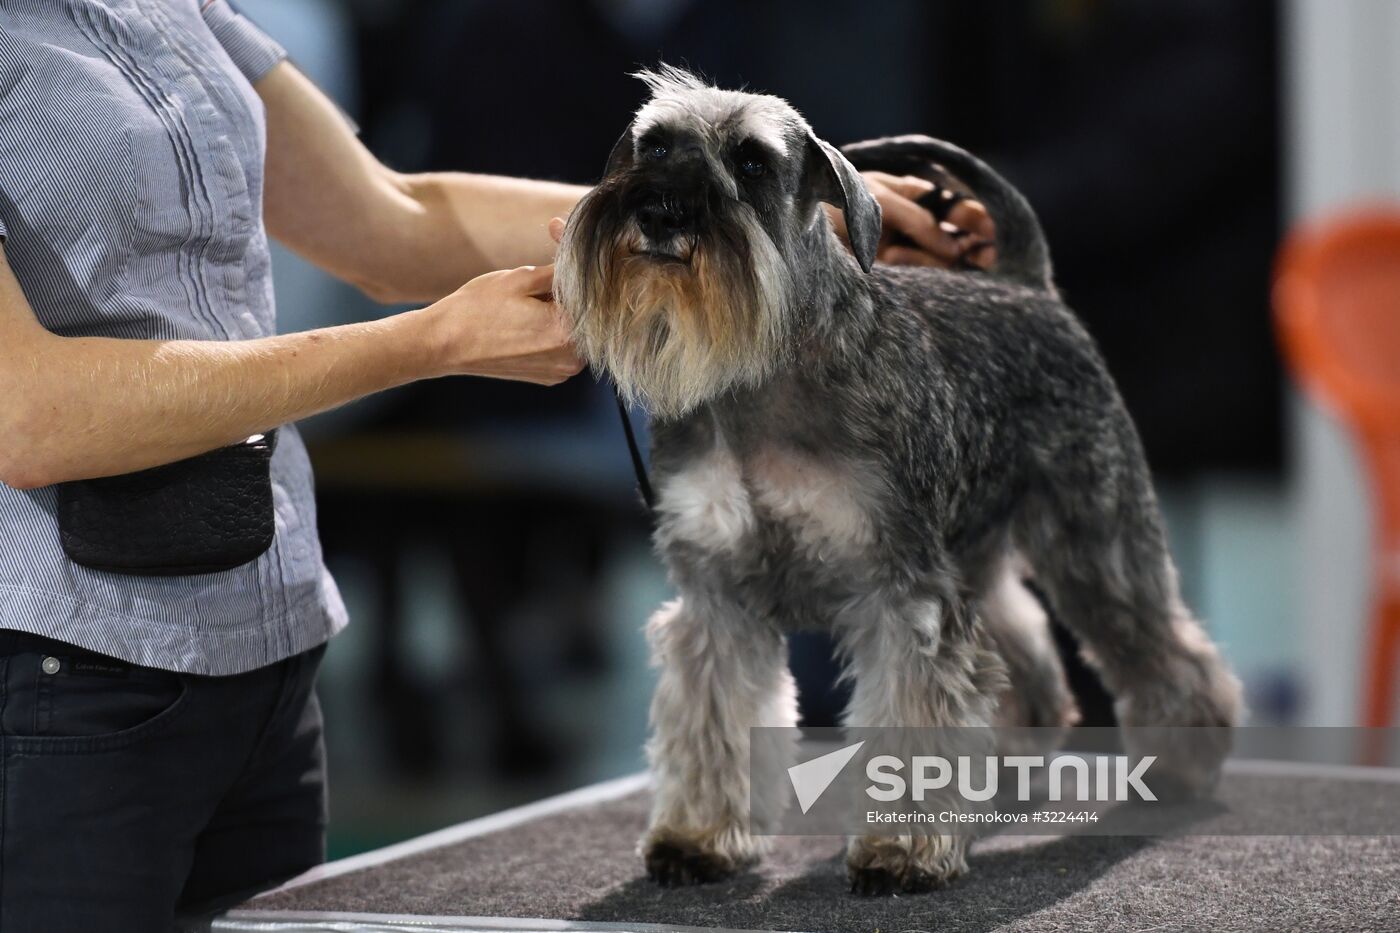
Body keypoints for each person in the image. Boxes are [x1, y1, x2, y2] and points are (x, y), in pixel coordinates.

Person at [0, 2, 991, 929]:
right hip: (63, 665)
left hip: (264, 643)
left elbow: (392, 218)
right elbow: (30, 416)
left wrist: (790, 220)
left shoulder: (174, 8)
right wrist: (430, 343)